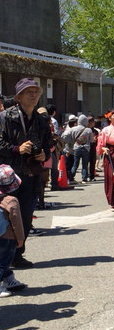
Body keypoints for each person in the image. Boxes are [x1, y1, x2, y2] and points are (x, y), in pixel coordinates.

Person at [0, 78, 52, 268]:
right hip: (8, 176)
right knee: (8, 215)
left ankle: (17, 254)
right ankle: (6, 255)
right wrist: (16, 149)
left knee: (26, 216)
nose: (33, 95)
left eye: (35, 92)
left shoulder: (41, 120)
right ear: (19, 96)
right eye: (28, 92)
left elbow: (48, 142)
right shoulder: (5, 117)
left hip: (31, 173)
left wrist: (44, 153)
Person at [0, 165, 27, 297]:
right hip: (7, 237)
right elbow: (17, 222)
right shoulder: (11, 201)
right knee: (4, 261)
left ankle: (9, 279)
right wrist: (20, 239)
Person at [68, 114, 93, 183]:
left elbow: (69, 137)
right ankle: (84, 178)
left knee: (75, 164)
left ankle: (71, 177)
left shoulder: (73, 128)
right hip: (86, 148)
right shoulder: (88, 130)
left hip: (76, 148)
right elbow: (91, 140)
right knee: (85, 164)